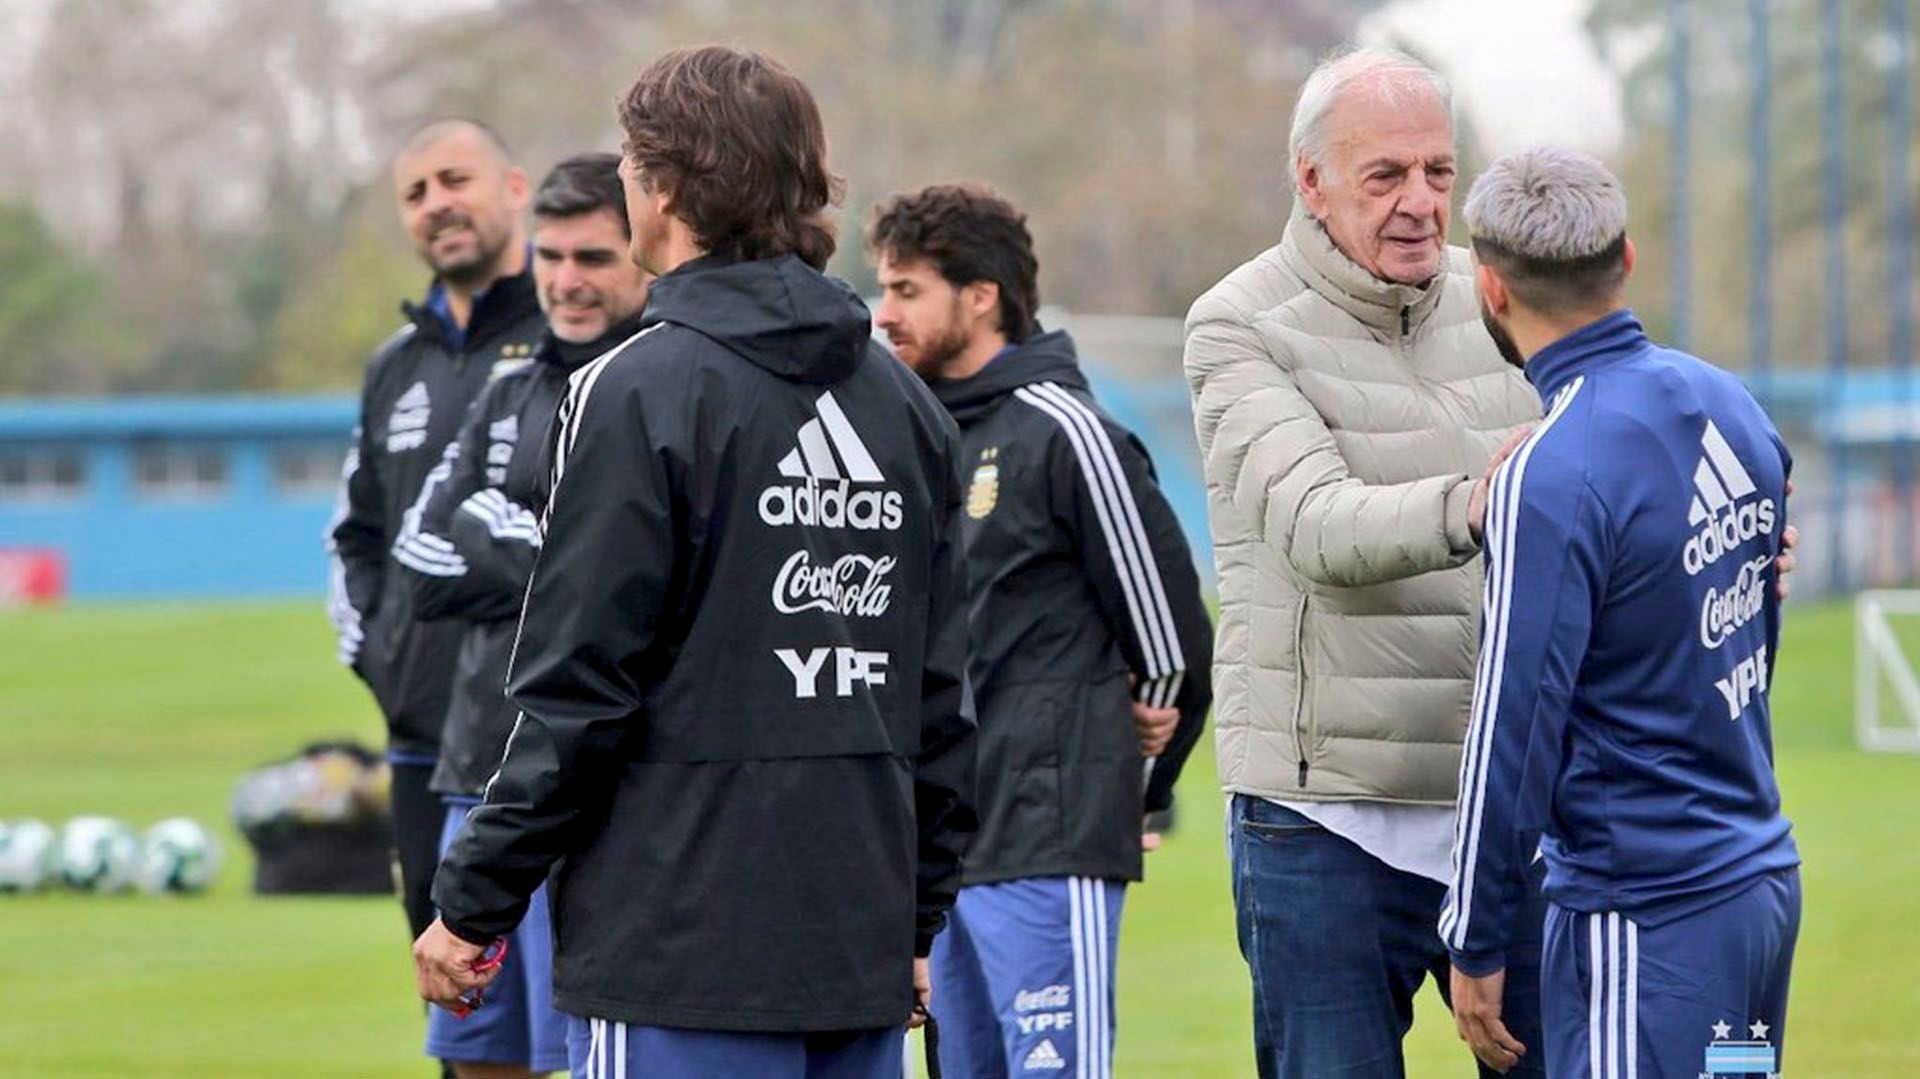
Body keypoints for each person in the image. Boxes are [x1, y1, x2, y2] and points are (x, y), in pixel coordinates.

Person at [410, 46, 978, 1079]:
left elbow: (579, 684)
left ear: (666, 186)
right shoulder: (909, 409)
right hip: (856, 951)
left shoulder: (633, 388)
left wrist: (471, 902)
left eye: (630, 164)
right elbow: (940, 700)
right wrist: (915, 915)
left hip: (678, 951)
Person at [1181, 48, 1549, 1079]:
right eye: (1384, 174)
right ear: (1311, 181)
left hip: (1496, 807)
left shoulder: (1503, 299)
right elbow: (1315, 523)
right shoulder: (1235, 322)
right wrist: (1485, 497)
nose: (1420, 202)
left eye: (1438, 171)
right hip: (1321, 819)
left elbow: (1608, 462)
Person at [1440, 145, 1800, 1079]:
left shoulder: (1549, 470)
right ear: (1626, 259)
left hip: (1646, 914)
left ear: (1488, 287)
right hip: (1756, 895)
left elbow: (1512, 725)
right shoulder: (1732, 403)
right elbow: (1746, 627)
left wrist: (1475, 938)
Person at [869, 183, 1213, 1078]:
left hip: (1046, 838)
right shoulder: (913, 434)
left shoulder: (1066, 431)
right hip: (936, 858)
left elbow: (1172, 642)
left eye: (907, 290)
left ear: (979, 295)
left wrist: (1136, 788)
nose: (885, 312)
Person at [391, 152, 653, 1079]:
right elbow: (419, 552)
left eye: (594, 257)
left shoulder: (658, 387)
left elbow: (643, 585)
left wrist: (499, 528)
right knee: (483, 1057)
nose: (567, 281)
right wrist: (557, 558)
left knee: (589, 1057)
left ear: (645, 257)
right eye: (550, 256)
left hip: (597, 788)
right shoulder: (509, 387)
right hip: (478, 769)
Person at [324, 117, 545, 1030]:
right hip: (424, 746)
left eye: (456, 178)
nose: (437, 205)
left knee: (590, 1023)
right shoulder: (395, 365)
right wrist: (384, 660)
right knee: (464, 1022)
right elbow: (356, 536)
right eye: (415, 193)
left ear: (515, 187)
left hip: (542, 735)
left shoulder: (574, 329)